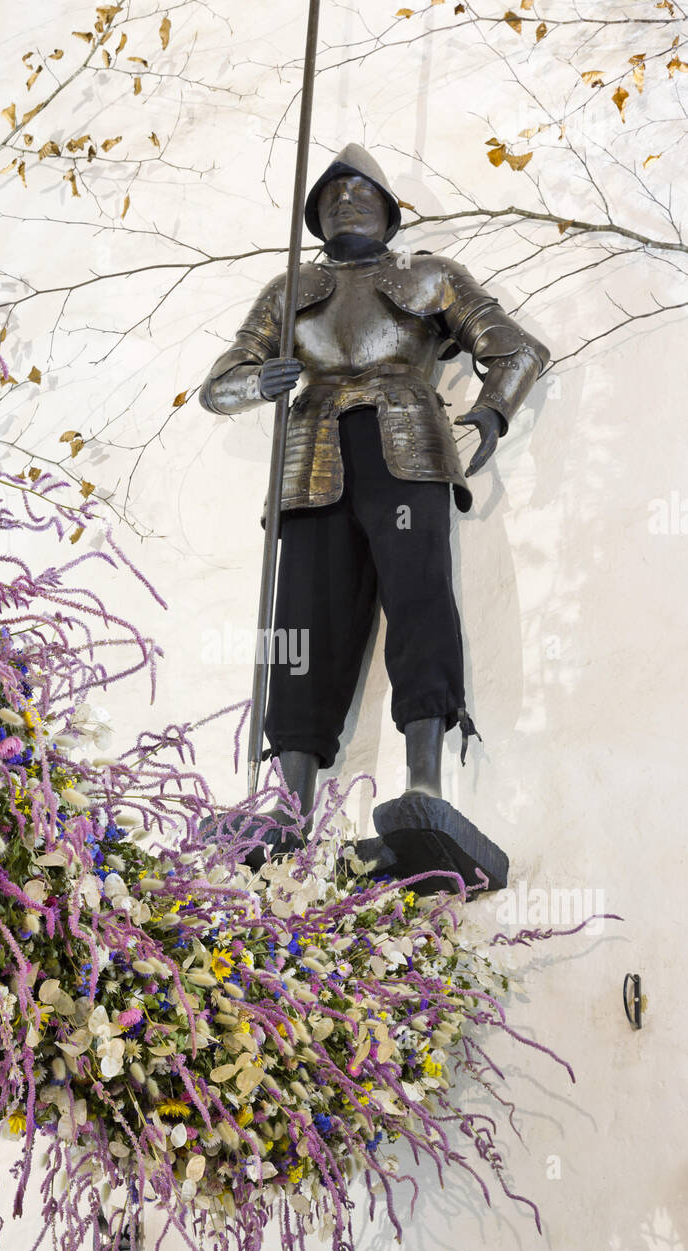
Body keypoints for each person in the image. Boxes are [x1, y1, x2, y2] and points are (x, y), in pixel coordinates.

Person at [199, 143, 550, 862]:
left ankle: (425, 783)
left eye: (360, 192)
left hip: (406, 446)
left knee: (420, 604)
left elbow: (515, 349)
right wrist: (261, 380)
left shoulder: (429, 277)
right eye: (331, 195)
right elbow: (219, 383)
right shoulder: (289, 289)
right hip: (313, 458)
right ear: (315, 216)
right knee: (300, 627)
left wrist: (491, 412)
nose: (345, 201)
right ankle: (288, 809)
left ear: (389, 211)